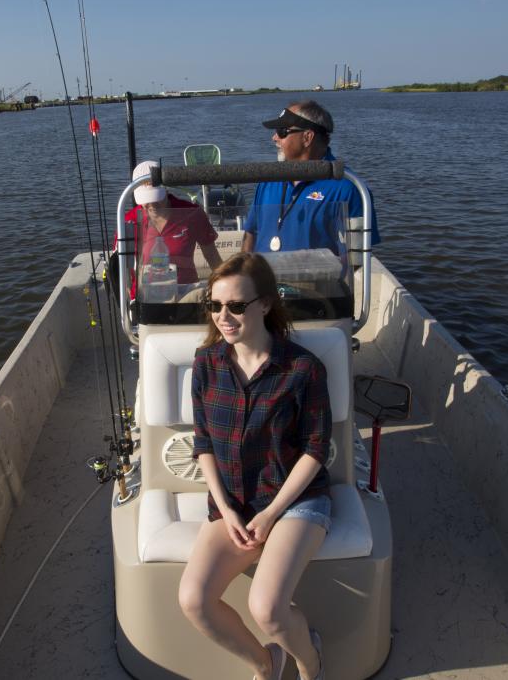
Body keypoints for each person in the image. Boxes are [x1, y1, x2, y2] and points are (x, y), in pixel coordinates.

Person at [179, 252, 330, 680]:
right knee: (194, 599)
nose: (223, 317)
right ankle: (266, 664)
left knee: (267, 608)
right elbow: (203, 440)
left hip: (295, 501)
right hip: (234, 502)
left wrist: (270, 513)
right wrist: (227, 510)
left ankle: (311, 664)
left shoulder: (302, 369)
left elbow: (316, 449)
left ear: (265, 303)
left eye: (236, 306)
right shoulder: (206, 363)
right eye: (215, 305)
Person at [241, 100, 380, 255]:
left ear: (307, 137)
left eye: (282, 131)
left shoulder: (349, 188)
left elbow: (358, 255)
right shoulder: (268, 180)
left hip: (318, 279)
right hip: (263, 278)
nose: (274, 138)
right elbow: (250, 234)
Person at [126, 160, 222, 299]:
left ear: (166, 189)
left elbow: (212, 256)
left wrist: (226, 286)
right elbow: (122, 266)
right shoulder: (129, 220)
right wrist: (129, 295)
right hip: (145, 297)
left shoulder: (191, 212)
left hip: (186, 294)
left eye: (155, 197)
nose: (151, 204)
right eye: (146, 199)